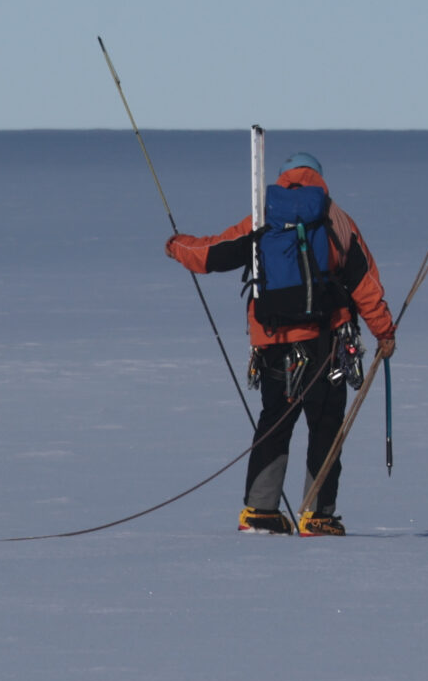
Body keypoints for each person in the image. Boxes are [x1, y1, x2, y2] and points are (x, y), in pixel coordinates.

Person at [166, 151, 394, 537]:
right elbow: (363, 283)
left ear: (284, 177)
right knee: (324, 426)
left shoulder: (263, 216)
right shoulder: (336, 219)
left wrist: (176, 245)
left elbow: (214, 253)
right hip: (328, 345)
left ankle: (260, 512)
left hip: (274, 343)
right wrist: (384, 332)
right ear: (320, 179)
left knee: (275, 423)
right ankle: (318, 516)